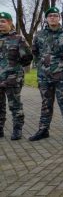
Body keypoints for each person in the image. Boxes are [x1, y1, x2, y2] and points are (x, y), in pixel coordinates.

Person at [30, 7, 63, 142]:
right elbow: (35, 53)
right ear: (46, 18)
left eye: (55, 15)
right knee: (46, 104)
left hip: (62, 77)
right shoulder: (39, 35)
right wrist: (42, 66)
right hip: (44, 77)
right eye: (50, 15)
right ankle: (43, 130)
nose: (53, 17)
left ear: (59, 18)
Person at [0, 12, 33, 140]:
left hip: (13, 79)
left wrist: (14, 69)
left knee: (15, 105)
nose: (0, 24)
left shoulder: (18, 39)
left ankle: (17, 129)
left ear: (10, 22)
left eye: (3, 21)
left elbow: (27, 57)